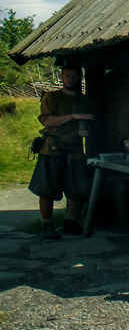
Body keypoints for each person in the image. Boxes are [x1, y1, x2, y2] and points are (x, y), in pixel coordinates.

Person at [28, 66, 95, 239]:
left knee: (79, 187)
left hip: (75, 148)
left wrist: (83, 127)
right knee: (47, 188)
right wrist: (73, 117)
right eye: (67, 75)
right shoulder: (52, 97)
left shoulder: (86, 101)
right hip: (52, 147)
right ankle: (46, 225)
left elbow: (87, 120)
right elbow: (48, 121)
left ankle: (70, 222)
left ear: (80, 78)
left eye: (74, 76)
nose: (70, 79)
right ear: (62, 77)